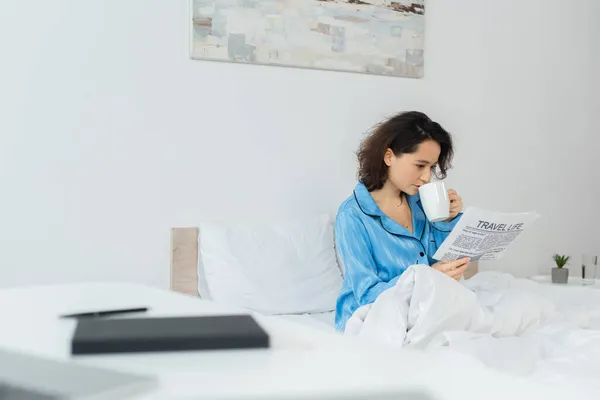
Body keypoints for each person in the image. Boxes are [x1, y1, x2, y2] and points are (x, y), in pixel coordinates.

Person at [334, 111, 471, 332]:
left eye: (432, 168)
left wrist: (448, 220)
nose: (427, 177)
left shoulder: (422, 203)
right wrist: (426, 277)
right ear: (389, 157)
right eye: (420, 165)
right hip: (372, 317)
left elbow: (444, 264)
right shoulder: (352, 216)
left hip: (426, 307)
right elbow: (366, 294)